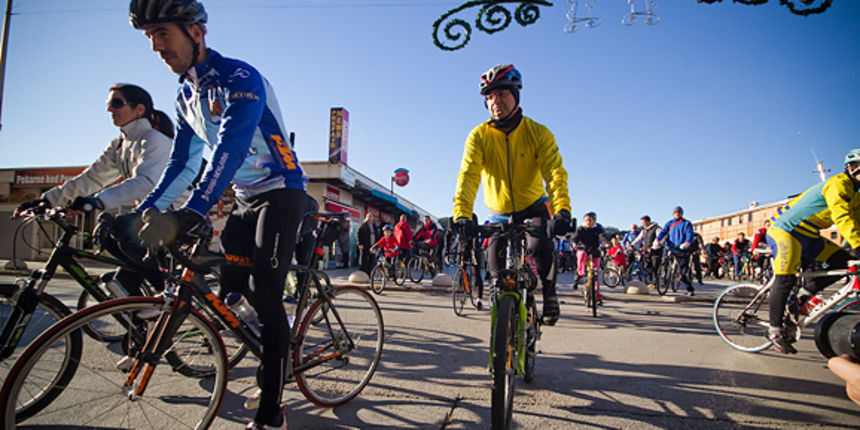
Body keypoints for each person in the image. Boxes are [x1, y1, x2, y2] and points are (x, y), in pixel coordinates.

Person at [129, 1, 307, 427]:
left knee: (266, 294)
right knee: (231, 283)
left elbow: (229, 146)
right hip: (246, 197)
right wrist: (142, 213)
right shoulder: (185, 93)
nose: (155, 46)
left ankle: (272, 405)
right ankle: (264, 335)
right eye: (148, 37)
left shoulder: (239, 77)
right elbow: (183, 163)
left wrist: (195, 208)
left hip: (282, 191)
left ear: (195, 31)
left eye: (163, 34)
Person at [15, 83, 178, 297]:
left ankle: (166, 291)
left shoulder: (154, 140)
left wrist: (98, 201)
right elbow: (91, 178)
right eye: (109, 105)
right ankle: (142, 313)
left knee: (117, 228)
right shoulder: (120, 145)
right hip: (151, 216)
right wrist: (48, 200)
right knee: (112, 245)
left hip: (175, 212)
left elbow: (146, 182)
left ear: (140, 109)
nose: (110, 110)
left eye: (117, 103)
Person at [452, 64, 572, 326]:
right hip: (498, 212)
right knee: (495, 269)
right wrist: (461, 214)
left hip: (533, 206)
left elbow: (554, 173)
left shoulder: (537, 132)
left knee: (539, 246)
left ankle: (550, 294)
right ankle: (504, 317)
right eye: (490, 96)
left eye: (503, 94)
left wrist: (562, 210)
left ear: (516, 96)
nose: (496, 101)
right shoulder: (479, 136)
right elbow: (468, 176)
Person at [764, 149, 860, 354]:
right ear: (853, 168)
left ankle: (801, 297)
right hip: (785, 230)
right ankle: (774, 330)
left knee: (843, 261)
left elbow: (857, 222)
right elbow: (842, 217)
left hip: (809, 236)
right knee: (785, 278)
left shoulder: (856, 195)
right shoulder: (839, 183)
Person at [655, 206, 695, 296]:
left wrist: (687, 243)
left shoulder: (686, 223)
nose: (677, 214)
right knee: (664, 261)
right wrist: (657, 240)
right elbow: (663, 232)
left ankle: (690, 288)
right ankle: (665, 277)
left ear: (681, 213)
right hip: (670, 247)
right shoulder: (669, 223)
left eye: (679, 212)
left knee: (683, 272)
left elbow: (690, 234)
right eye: (676, 212)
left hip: (682, 248)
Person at [571, 212, 608, 304]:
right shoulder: (580, 229)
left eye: (591, 220)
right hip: (583, 249)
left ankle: (598, 296)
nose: (589, 222)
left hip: (594, 251)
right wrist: (574, 243)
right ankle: (580, 271)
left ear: (594, 221)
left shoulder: (598, 229)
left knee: (595, 274)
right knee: (581, 254)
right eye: (587, 220)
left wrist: (606, 243)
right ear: (584, 221)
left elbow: (602, 237)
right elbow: (575, 237)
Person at [631, 215, 661, 288]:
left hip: (655, 250)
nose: (643, 224)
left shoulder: (657, 228)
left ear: (648, 221)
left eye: (644, 222)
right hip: (647, 250)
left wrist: (654, 247)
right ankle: (651, 280)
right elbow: (639, 238)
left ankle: (655, 283)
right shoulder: (644, 230)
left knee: (655, 266)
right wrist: (632, 244)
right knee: (647, 266)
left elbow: (659, 238)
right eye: (642, 223)